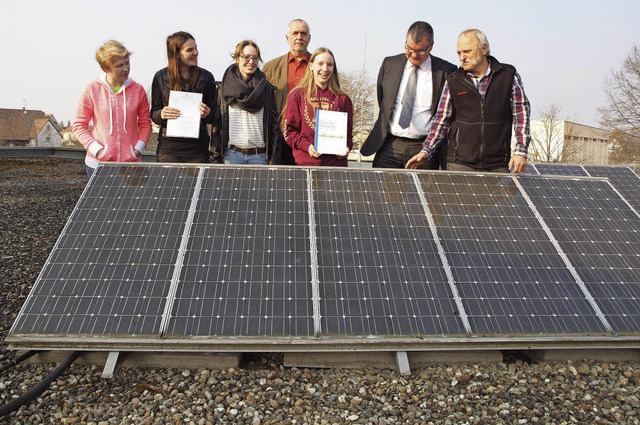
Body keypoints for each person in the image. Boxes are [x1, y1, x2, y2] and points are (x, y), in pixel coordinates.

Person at [406, 29, 531, 173]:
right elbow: (441, 120)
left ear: (483, 49)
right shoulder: (453, 81)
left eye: (467, 51)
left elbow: (522, 115)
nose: (462, 57)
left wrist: (521, 151)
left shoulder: (508, 76)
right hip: (459, 163)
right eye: (459, 53)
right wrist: (426, 150)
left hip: (497, 164)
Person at [360, 21, 457, 170]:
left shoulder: (446, 71)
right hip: (389, 146)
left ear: (431, 46)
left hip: (423, 149)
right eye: (409, 48)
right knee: (386, 192)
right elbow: (383, 100)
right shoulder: (389, 64)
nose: (413, 54)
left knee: (422, 193)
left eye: (420, 51)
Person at [73, 40, 152, 178]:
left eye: (127, 62)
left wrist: (138, 149)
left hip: (131, 164)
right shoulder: (92, 89)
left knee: (131, 200)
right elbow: (79, 126)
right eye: (119, 66)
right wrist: (97, 150)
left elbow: (145, 124)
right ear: (106, 68)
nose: (126, 68)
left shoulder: (138, 90)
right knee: (100, 200)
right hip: (97, 165)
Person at [151, 31, 218, 163]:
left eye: (196, 48)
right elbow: (154, 113)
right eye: (190, 50)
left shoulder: (207, 77)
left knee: (196, 184)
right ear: (176, 54)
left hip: (197, 149)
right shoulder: (160, 77)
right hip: (169, 149)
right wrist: (162, 114)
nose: (196, 52)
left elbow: (215, 116)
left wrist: (208, 113)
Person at [282, 47, 353, 167]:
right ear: (311, 66)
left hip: (336, 166)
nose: (325, 69)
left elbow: (348, 135)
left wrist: (346, 148)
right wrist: (308, 147)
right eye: (320, 64)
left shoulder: (343, 99)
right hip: (306, 164)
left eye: (329, 65)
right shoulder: (297, 95)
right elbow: (289, 132)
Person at [215, 40, 278, 165]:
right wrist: (215, 156)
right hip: (232, 155)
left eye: (255, 58)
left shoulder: (266, 89)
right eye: (246, 57)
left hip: (259, 156)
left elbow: (274, 126)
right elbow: (217, 123)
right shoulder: (224, 88)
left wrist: (274, 157)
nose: (251, 62)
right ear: (237, 58)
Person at [263, 19, 312, 165]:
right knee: (281, 184)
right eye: (295, 33)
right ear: (287, 37)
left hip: (307, 141)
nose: (299, 37)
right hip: (279, 138)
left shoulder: (319, 67)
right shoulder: (270, 68)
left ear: (309, 38)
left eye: (303, 34)